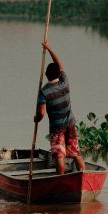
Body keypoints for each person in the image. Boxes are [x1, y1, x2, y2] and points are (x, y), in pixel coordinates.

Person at [34, 41, 85, 175]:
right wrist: (49, 48)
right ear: (58, 74)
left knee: (59, 156)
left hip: (57, 128)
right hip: (70, 124)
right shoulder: (64, 82)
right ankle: (83, 175)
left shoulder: (44, 91)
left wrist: (36, 119)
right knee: (75, 153)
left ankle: (61, 179)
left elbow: (41, 113)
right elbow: (59, 64)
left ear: (46, 75)